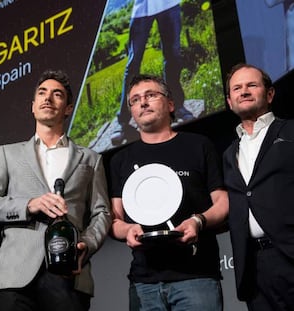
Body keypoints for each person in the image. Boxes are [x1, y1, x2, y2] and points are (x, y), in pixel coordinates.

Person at [0, 69, 112, 311]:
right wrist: (28, 205)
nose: (48, 98)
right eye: (42, 93)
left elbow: (102, 213)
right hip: (15, 277)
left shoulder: (90, 159)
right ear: (33, 106)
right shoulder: (8, 154)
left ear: (67, 108)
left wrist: (85, 246)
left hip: (68, 274)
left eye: (57, 94)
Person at [108, 74, 228, 310]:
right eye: (134, 100)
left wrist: (198, 221)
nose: (143, 103)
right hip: (144, 281)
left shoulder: (199, 145)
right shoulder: (120, 160)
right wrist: (127, 230)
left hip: (196, 276)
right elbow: (114, 219)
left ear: (171, 104)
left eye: (151, 95)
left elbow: (222, 202)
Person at [223, 63, 294, 310]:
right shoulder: (229, 154)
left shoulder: (291, 131)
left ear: (270, 94)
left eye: (251, 85)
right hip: (254, 267)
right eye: (237, 88)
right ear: (230, 101)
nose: (244, 91)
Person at [111, 0, 194, 145]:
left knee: (173, 56)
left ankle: (177, 107)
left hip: (169, 5)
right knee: (133, 64)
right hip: (142, 9)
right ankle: (123, 121)